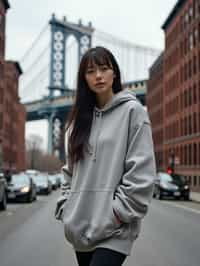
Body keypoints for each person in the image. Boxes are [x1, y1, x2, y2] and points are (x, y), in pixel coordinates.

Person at [55, 46, 156, 266]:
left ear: (114, 73)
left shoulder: (133, 111)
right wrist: (67, 206)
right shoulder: (75, 123)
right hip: (80, 225)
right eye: (91, 71)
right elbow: (69, 172)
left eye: (104, 68)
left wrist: (117, 214)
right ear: (84, 78)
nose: (98, 76)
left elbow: (141, 171)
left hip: (115, 230)